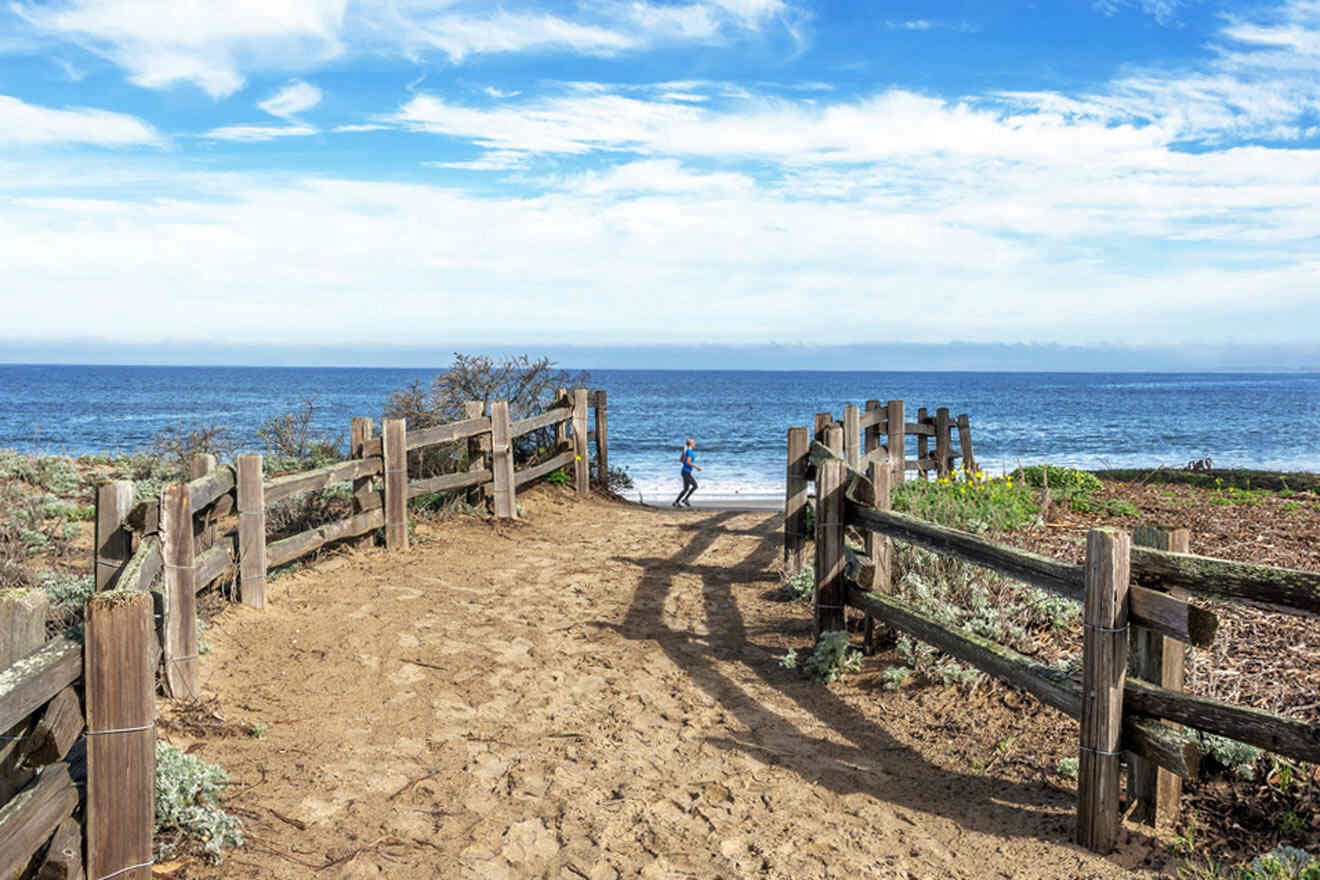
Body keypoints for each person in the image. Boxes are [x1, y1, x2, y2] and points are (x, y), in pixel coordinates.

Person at [672, 437, 701, 507]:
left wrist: (686, 463)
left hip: (684, 471)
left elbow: (681, 460)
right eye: (694, 443)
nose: (695, 444)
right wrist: (696, 467)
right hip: (686, 472)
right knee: (695, 486)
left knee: (686, 489)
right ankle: (685, 499)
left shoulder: (686, 451)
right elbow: (688, 462)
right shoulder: (690, 452)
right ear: (691, 444)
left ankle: (676, 502)